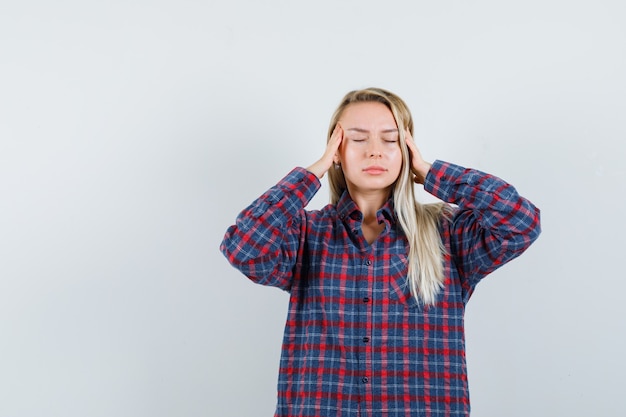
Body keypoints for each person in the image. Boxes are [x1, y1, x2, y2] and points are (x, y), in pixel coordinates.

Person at [220, 88, 541, 417]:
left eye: (390, 140)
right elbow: (244, 247)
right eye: (358, 139)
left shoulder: (449, 233)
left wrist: (433, 174)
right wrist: (312, 172)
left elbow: (521, 222)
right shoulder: (304, 235)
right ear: (336, 150)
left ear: (407, 149)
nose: (375, 151)